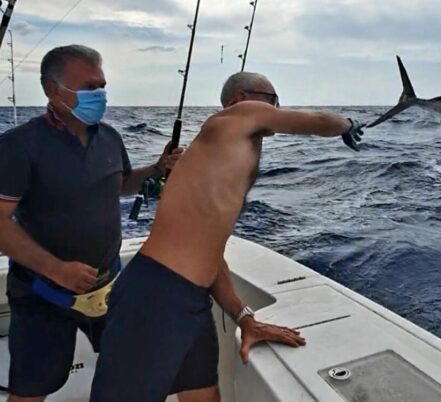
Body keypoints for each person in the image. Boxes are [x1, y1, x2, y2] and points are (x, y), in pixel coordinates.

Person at [89, 72, 365, 401]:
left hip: (190, 301)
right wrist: (348, 123)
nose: (276, 109)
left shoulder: (219, 159)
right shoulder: (233, 117)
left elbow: (210, 252)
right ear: (238, 99)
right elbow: (319, 121)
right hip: (153, 298)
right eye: (272, 100)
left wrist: (244, 317)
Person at [0, 45, 183, 401]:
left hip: (109, 287)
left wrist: (158, 168)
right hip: (42, 293)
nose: (99, 95)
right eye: (89, 88)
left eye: (102, 86)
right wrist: (56, 269)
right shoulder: (17, 146)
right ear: (53, 91)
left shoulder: (111, 138)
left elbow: (123, 184)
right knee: (31, 388)